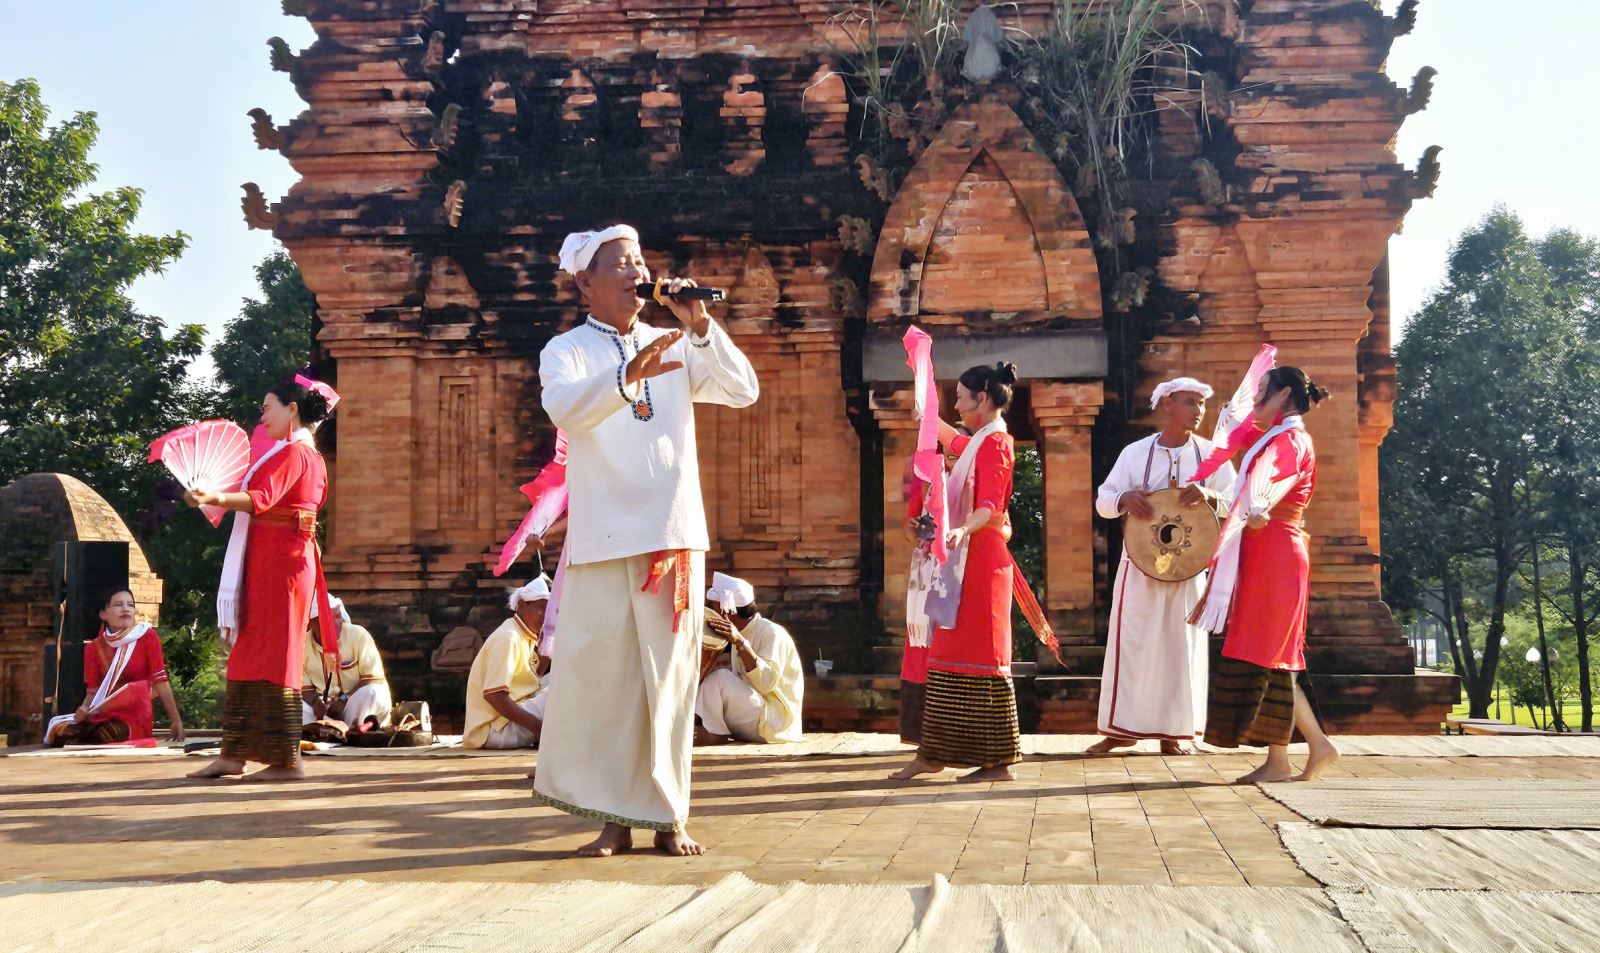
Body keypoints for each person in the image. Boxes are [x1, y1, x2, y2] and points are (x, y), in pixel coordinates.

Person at [532, 225, 759, 857]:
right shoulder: (567, 350)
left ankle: (669, 814)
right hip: (604, 537)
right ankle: (613, 819)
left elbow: (743, 391)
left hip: (672, 533)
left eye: (640, 260)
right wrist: (630, 372)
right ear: (585, 281)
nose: (637, 271)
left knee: (672, 679)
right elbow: (567, 412)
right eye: (621, 263)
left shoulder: (677, 340)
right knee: (609, 683)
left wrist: (701, 326)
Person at [184, 376, 338, 782]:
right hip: (270, 562)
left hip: (284, 566)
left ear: (292, 409)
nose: (262, 415)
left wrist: (215, 498)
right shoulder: (290, 454)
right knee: (250, 653)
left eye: (268, 406)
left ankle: (287, 760)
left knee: (276, 656)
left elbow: (261, 500)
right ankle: (234, 754)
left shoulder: (297, 456)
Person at [1200, 366, 1340, 783]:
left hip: (1275, 551)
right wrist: (1230, 422)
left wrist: (1259, 508)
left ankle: (1295, 754)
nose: (1256, 398)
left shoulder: (1291, 441)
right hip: (1265, 553)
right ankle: (1303, 750)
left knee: (1273, 656)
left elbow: (1276, 484)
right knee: (1272, 658)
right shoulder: (1274, 437)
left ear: (1283, 395)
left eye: (1262, 392)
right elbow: (1240, 444)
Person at [1088, 378, 1236, 755]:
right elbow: (1103, 501)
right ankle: (1122, 729)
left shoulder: (1212, 455)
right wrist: (1125, 497)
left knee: (1181, 646)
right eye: (1190, 402)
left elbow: (1237, 503)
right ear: (1167, 404)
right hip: (1140, 566)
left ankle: (1176, 733)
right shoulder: (1135, 454)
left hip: (1188, 567)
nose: (1199, 411)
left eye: (1202, 404)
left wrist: (1209, 495)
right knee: (1133, 643)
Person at [891, 362, 1022, 783]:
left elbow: (991, 504)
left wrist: (963, 527)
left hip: (981, 561)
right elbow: (953, 438)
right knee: (945, 653)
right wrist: (929, 417)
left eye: (963, 398)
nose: (959, 406)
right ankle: (934, 753)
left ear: (983, 400)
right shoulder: (982, 439)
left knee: (981, 656)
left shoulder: (997, 443)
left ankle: (997, 761)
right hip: (962, 558)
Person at [44, 589, 184, 746]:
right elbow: (93, 690)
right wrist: (84, 709)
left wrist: (176, 719)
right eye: (118, 604)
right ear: (103, 614)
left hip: (133, 716)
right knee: (59, 733)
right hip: (102, 713)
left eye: (130, 605)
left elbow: (161, 681)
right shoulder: (94, 648)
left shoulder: (147, 637)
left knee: (105, 734)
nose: (126, 609)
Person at [899, 437, 964, 745]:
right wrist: (915, 531)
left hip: (963, 569)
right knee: (922, 643)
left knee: (955, 641)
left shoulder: (976, 481)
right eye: (947, 454)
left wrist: (966, 532)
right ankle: (924, 734)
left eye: (957, 454)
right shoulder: (927, 481)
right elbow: (910, 527)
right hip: (928, 571)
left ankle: (957, 729)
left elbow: (1003, 527)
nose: (951, 461)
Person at [693, 573, 804, 745]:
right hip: (755, 718)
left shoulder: (772, 633)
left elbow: (766, 684)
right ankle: (708, 729)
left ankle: (714, 733)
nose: (713, 613)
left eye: (714, 608)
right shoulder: (742, 633)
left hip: (775, 725)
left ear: (727, 611)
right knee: (708, 681)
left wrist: (740, 643)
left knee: (720, 678)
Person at [463, 576, 554, 750]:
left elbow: (531, 681)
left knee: (561, 678)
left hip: (507, 721)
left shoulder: (524, 634)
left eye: (549, 610)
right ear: (521, 605)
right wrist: (539, 729)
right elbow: (494, 695)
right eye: (541, 609)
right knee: (563, 688)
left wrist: (546, 647)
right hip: (493, 730)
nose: (545, 616)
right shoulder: (509, 638)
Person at [300, 597, 391, 732]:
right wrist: (316, 702)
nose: (336, 623)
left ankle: (349, 732)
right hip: (326, 713)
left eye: (338, 616)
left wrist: (343, 700)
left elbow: (373, 679)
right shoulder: (302, 645)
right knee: (294, 705)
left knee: (372, 693)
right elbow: (305, 689)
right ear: (312, 623)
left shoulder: (358, 635)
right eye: (328, 619)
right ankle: (332, 731)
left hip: (355, 706)